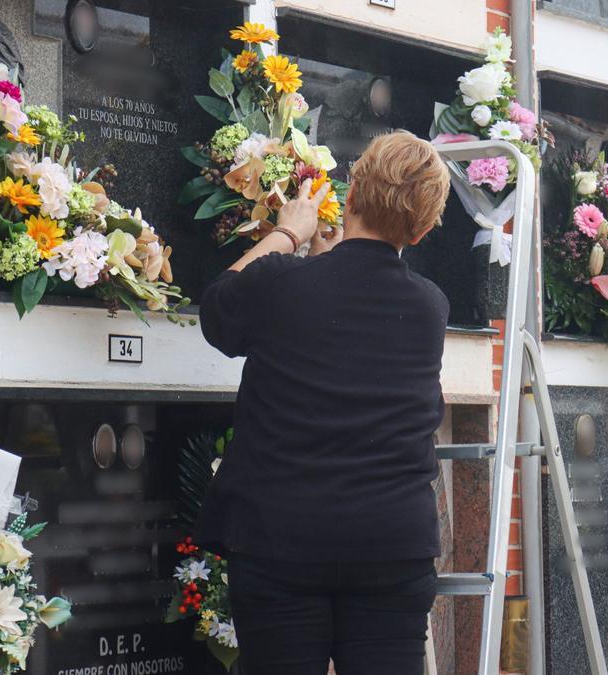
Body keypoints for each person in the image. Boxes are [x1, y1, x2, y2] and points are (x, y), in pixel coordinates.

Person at [197, 131, 452, 675]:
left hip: (280, 539)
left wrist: (288, 232)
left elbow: (219, 313)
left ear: (351, 193)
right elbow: (343, 318)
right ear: (425, 229)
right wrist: (321, 259)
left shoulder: (283, 283)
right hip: (391, 544)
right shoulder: (431, 306)